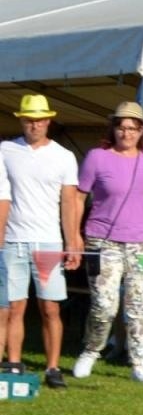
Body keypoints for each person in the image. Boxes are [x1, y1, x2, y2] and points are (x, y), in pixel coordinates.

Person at [70, 101, 143, 383]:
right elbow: (79, 197)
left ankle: (140, 363)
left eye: (132, 128)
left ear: (141, 131)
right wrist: (75, 234)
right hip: (103, 240)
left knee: (140, 304)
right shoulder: (96, 157)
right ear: (113, 129)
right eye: (121, 127)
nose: (126, 133)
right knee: (104, 304)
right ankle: (91, 350)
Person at [0, 94, 79, 388]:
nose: (35, 124)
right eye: (29, 119)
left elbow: (69, 203)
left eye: (40, 119)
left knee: (50, 308)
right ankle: (14, 363)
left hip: (49, 242)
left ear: (49, 120)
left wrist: (72, 242)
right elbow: (2, 198)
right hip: (13, 241)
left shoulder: (64, 156)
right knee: (13, 307)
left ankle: (53, 368)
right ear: (21, 120)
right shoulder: (5, 150)